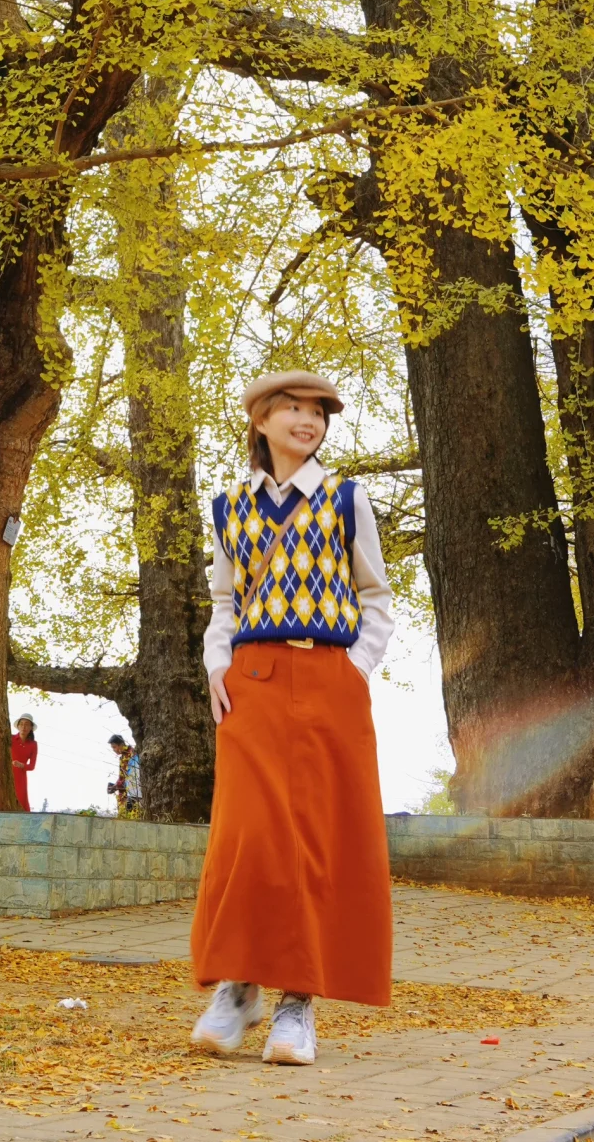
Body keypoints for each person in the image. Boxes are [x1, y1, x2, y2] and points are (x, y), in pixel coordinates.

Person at [190, 370, 395, 1066]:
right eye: (294, 409)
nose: (309, 421)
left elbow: (375, 595)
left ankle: (297, 1003)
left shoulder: (346, 498)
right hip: (252, 682)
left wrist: (355, 670)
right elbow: (225, 601)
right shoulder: (229, 507)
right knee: (248, 837)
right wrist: (217, 666)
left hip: (329, 677)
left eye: (319, 412)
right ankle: (238, 985)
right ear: (262, 420)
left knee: (316, 840)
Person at [107, 734, 141, 818]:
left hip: (133, 794)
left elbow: (132, 776)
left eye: (114, 747)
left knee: (131, 817)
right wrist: (115, 786)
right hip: (124, 794)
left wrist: (116, 786)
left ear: (121, 744)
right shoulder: (122, 756)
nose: (114, 750)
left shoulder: (132, 754)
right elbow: (122, 776)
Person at [10, 714, 38, 812]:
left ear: (31, 728)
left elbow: (32, 766)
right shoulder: (11, 738)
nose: (23, 727)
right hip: (7, 773)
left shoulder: (33, 744)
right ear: (18, 726)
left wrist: (22, 765)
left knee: (21, 801)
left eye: (26, 724)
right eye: (21, 724)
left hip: (20, 776)